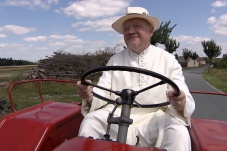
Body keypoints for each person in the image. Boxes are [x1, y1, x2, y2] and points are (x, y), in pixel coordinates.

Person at [76, 6, 195, 151]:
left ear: (150, 31)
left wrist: (180, 101)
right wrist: (89, 95)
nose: (130, 31)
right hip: (117, 114)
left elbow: (181, 93)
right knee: (91, 121)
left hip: (155, 119)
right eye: (126, 29)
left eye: (137, 26)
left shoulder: (168, 60)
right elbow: (102, 93)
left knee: (179, 132)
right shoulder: (115, 60)